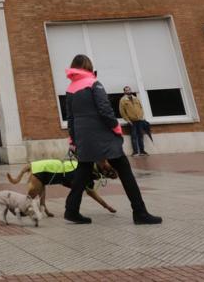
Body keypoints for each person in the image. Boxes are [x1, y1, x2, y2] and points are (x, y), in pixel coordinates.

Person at [62, 55, 162, 225]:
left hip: (83, 137)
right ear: (88, 66)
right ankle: (140, 212)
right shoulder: (94, 84)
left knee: (83, 170)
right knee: (124, 169)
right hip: (102, 136)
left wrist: (73, 139)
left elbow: (70, 118)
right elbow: (105, 109)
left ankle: (71, 210)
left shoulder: (70, 89)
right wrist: (116, 128)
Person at [119, 86, 150, 157]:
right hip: (132, 121)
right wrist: (128, 120)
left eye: (129, 90)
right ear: (124, 92)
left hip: (140, 120)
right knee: (134, 137)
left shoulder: (135, 98)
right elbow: (122, 112)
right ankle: (135, 152)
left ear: (131, 90)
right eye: (126, 90)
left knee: (141, 136)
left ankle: (142, 151)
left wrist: (141, 116)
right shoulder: (123, 100)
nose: (128, 91)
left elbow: (141, 107)